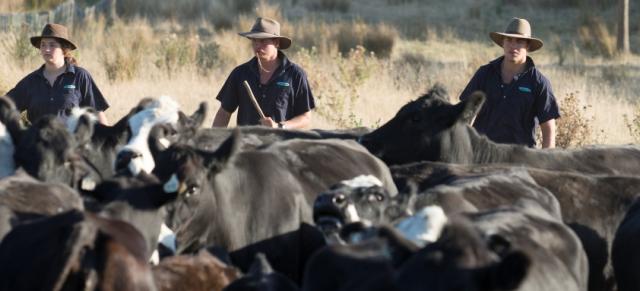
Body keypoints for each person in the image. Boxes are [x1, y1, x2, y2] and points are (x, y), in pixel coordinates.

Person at [459, 17, 559, 148]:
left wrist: (547, 162)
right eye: (509, 40)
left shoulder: (539, 82)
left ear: (528, 46)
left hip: (521, 160)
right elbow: (466, 115)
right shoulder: (484, 74)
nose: (513, 46)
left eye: (519, 41)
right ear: (503, 43)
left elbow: (548, 128)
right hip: (482, 155)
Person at [212, 17, 315, 129]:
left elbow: (305, 117)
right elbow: (224, 113)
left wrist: (280, 126)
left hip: (280, 144)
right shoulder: (240, 74)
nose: (257, 46)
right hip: (246, 144)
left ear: (276, 42)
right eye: (254, 40)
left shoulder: (295, 75)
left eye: (263, 41)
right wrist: (213, 142)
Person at [6, 23, 109, 125]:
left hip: (70, 140)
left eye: (52, 45)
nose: (46, 49)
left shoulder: (80, 77)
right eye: (43, 45)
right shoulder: (30, 82)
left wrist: (109, 140)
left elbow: (98, 114)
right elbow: (5, 108)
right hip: (38, 140)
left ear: (64, 49)